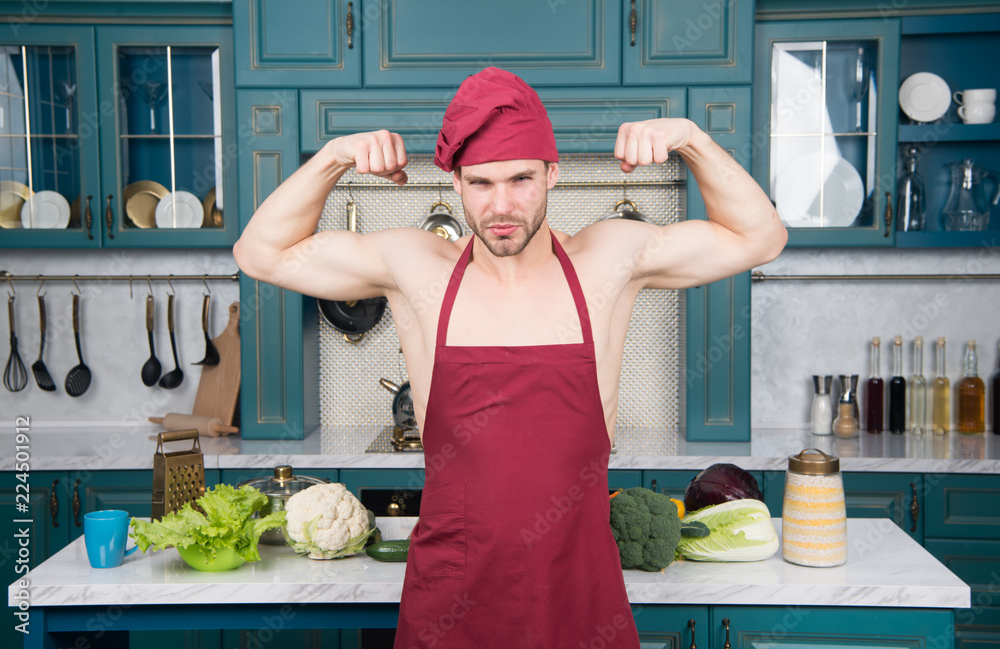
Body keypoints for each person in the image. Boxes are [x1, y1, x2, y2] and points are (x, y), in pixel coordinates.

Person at [235, 67, 787, 648]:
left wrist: (693, 141)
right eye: (481, 183)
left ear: (552, 173)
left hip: (580, 594)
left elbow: (761, 238)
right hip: (451, 601)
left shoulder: (609, 259)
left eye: (521, 178)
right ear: (454, 183)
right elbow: (260, 253)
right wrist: (332, 157)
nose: (502, 205)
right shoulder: (416, 267)